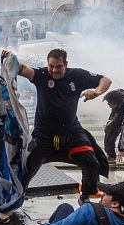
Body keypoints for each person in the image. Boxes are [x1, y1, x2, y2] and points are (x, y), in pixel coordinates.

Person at [15, 48, 112, 205]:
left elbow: (106, 80)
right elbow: (24, 69)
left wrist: (96, 92)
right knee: (28, 166)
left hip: (71, 131)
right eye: (51, 66)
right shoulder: (41, 75)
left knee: (92, 163)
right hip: (44, 133)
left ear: (66, 64)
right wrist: (11, 60)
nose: (54, 70)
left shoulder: (78, 75)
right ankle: (16, 198)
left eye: (58, 66)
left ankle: (85, 196)